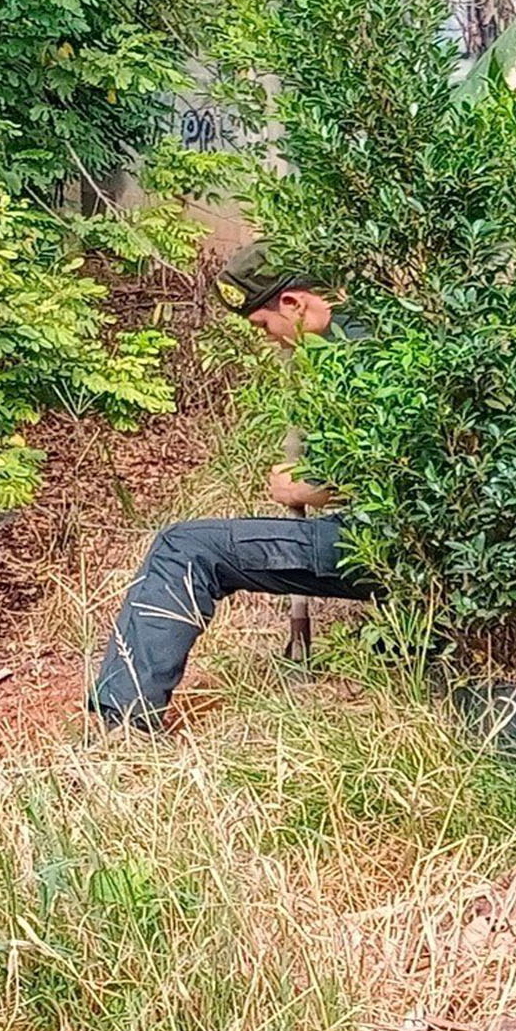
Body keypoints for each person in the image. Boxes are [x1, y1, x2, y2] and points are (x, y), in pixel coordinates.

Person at [88, 243, 374, 731]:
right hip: (391, 545)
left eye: (262, 326)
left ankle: (125, 719)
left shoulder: (368, 354)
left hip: (388, 547)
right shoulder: (364, 331)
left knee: (184, 547)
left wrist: (310, 489)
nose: (269, 340)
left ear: (292, 304)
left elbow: (405, 472)